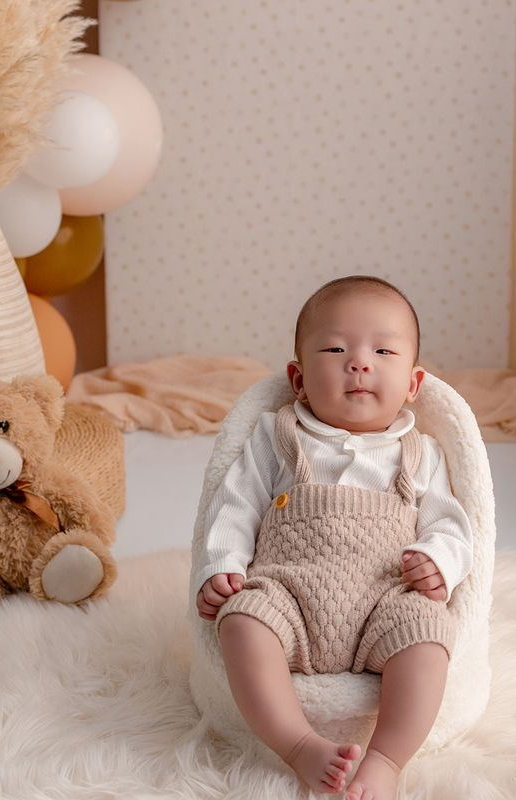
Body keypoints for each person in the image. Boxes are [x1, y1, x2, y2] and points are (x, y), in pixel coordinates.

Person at [195, 275, 473, 799]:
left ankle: (387, 759)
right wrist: (222, 566)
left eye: (383, 350)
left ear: (413, 384)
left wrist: (437, 561)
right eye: (336, 348)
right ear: (298, 379)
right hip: (289, 594)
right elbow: (234, 503)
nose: (359, 362)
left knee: (429, 632)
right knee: (240, 622)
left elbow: (453, 526)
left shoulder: (420, 453)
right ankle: (300, 745)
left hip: (384, 601)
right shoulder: (277, 436)